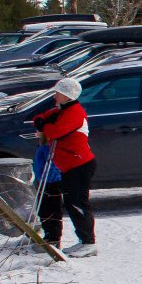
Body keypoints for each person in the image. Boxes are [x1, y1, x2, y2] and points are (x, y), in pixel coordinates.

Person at [32, 77, 96, 257]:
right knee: (70, 202)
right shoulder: (61, 110)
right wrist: (42, 122)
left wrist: (45, 126)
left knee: (77, 203)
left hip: (80, 164)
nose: (55, 96)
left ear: (68, 96)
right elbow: (41, 118)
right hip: (69, 166)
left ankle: (88, 241)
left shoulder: (75, 112)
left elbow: (56, 131)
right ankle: (83, 240)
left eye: (58, 93)